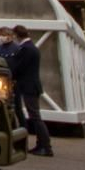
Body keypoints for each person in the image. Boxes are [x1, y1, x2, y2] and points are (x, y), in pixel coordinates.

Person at [10, 25, 53, 157]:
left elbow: (19, 67)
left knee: (35, 117)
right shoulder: (31, 47)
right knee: (35, 116)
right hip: (32, 85)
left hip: (28, 86)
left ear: (17, 35)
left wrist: (11, 75)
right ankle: (41, 145)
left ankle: (46, 146)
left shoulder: (26, 49)